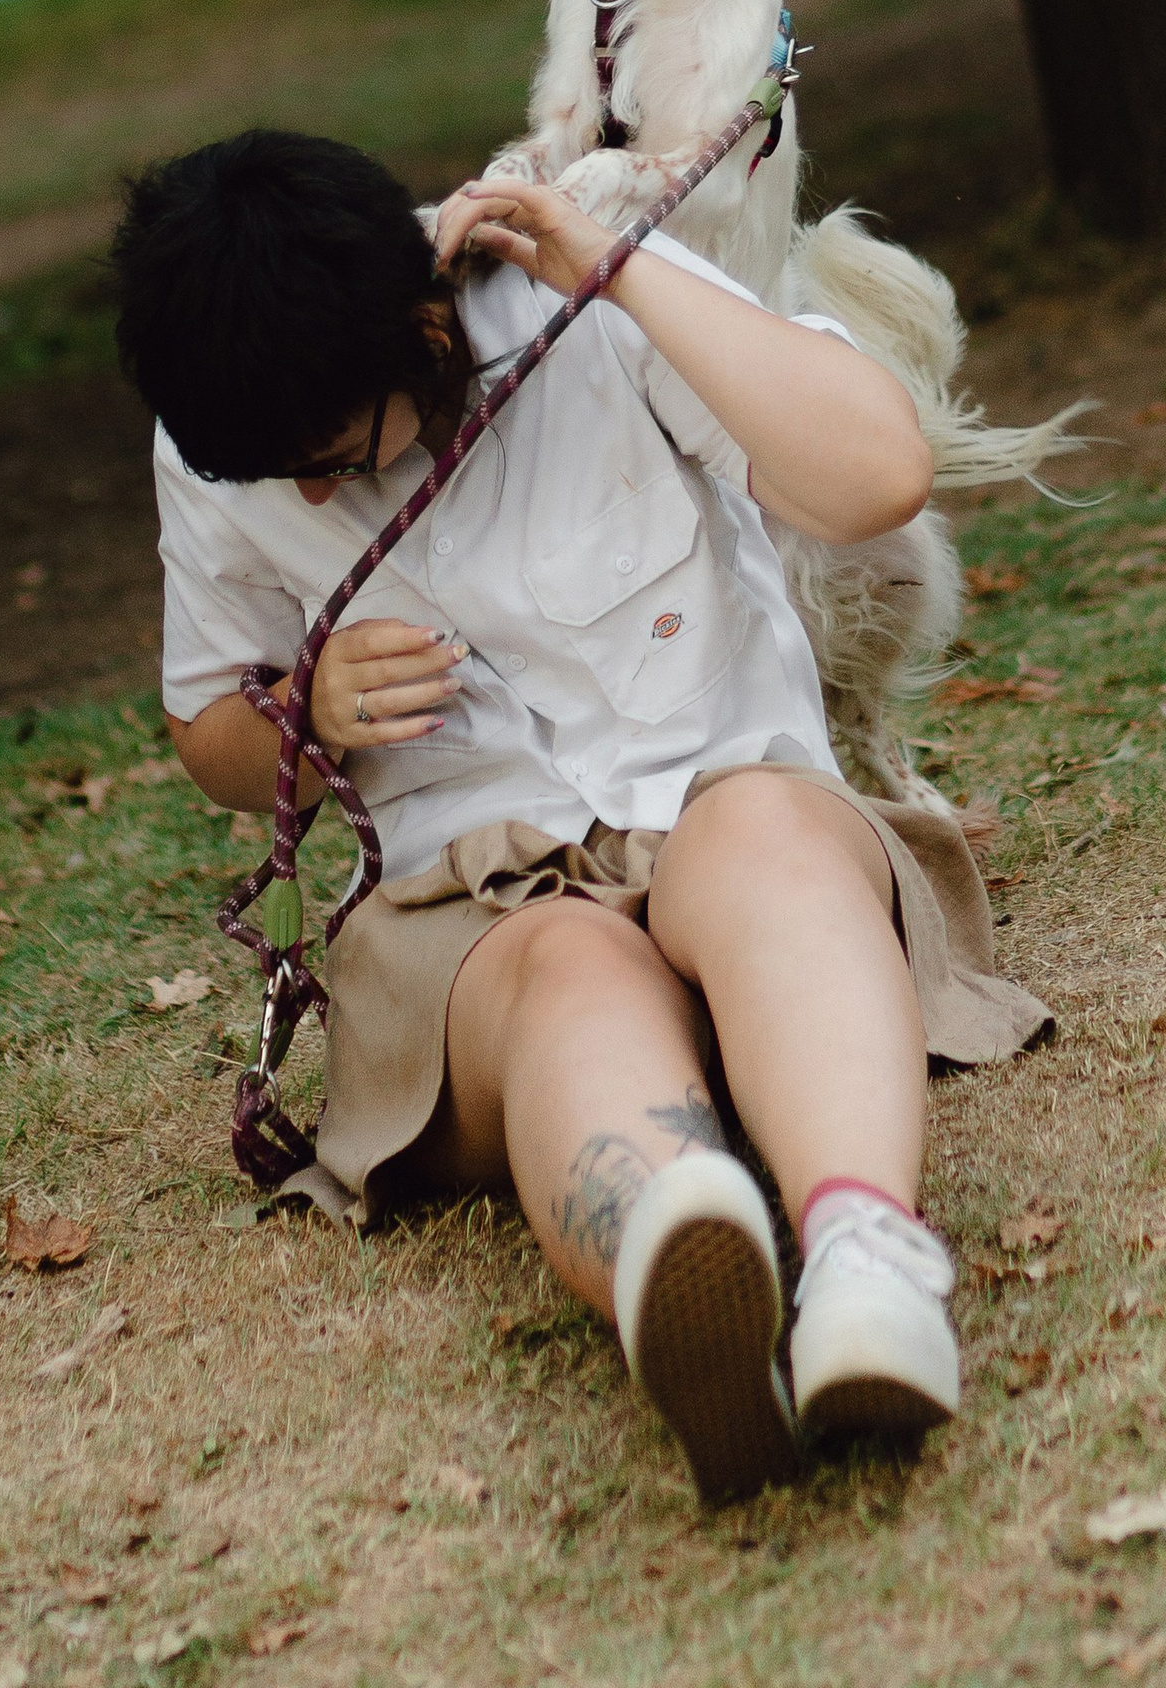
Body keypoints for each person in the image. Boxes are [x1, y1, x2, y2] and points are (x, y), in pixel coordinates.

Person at [112, 127, 1047, 1508]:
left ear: (427, 330)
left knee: (764, 845)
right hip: (475, 903)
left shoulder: (570, 282)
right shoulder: (232, 430)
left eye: (330, 453)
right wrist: (304, 719)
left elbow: (875, 481)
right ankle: (677, 1246)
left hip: (725, 790)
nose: (310, 495)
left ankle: (866, 1265)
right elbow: (214, 737)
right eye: (278, 477)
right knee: (567, 969)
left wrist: (626, 273)